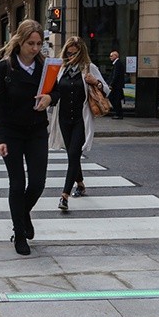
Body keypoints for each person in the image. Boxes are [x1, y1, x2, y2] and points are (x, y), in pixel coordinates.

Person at [0, 19, 53, 256]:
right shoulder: (4, 68)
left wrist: (50, 98)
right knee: (17, 184)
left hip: (37, 130)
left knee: (37, 183)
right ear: (20, 41)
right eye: (31, 43)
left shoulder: (46, 67)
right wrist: (0, 139)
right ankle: (19, 232)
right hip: (12, 133)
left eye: (39, 43)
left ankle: (23, 214)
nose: (35, 48)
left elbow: (56, 90)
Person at [48, 36, 110, 212]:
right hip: (64, 118)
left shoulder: (90, 68)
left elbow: (107, 90)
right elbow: (52, 91)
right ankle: (81, 184)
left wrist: (95, 81)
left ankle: (64, 196)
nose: (71, 57)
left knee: (74, 153)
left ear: (81, 53)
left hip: (81, 120)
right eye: (69, 53)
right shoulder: (60, 69)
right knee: (72, 155)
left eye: (74, 54)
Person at [107, 50, 126, 119]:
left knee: (114, 99)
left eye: (111, 56)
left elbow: (115, 75)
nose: (110, 57)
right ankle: (118, 113)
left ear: (116, 56)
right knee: (115, 99)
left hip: (116, 86)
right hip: (117, 85)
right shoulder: (116, 64)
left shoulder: (117, 64)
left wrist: (111, 84)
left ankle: (119, 114)